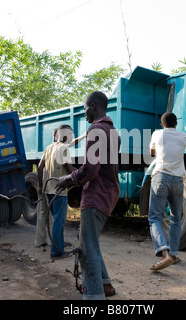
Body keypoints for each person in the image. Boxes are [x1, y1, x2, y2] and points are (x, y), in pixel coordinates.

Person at [56, 91, 119, 300]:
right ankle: (106, 285)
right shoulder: (112, 130)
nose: (83, 113)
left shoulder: (96, 130)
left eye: (84, 108)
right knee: (91, 242)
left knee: (86, 248)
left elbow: (91, 170)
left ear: (92, 106)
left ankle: (93, 295)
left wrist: (69, 178)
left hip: (95, 195)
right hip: (108, 193)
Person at [148, 112, 186, 271]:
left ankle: (165, 254)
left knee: (155, 217)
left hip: (161, 177)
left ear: (162, 124)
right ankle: (174, 254)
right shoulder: (183, 136)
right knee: (176, 218)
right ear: (176, 124)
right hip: (178, 180)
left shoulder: (157, 133)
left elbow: (152, 153)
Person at [38, 125, 83, 260]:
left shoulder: (49, 147)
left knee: (56, 219)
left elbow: (40, 168)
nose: (71, 138)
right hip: (59, 191)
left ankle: (58, 244)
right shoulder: (63, 148)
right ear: (64, 135)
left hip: (48, 189)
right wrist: (83, 174)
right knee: (59, 221)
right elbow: (69, 168)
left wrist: (40, 187)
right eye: (70, 135)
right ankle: (56, 252)